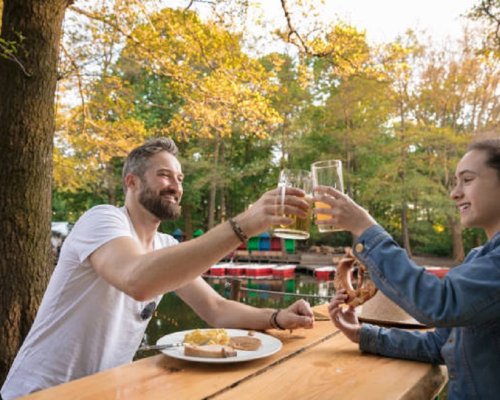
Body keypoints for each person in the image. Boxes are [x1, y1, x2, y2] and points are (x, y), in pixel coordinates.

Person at [1, 137, 314, 399]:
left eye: (180, 179)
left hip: (99, 392)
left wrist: (277, 317)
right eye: (165, 175)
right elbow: (137, 279)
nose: (175, 186)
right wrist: (245, 223)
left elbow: (216, 308)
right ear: (132, 182)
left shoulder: (166, 246)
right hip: (40, 393)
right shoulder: (103, 219)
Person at [314, 138, 500, 399]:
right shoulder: (479, 258)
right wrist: (363, 335)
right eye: (455, 182)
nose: (454, 193)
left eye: (467, 180)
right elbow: (440, 344)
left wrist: (365, 229)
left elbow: (438, 303)